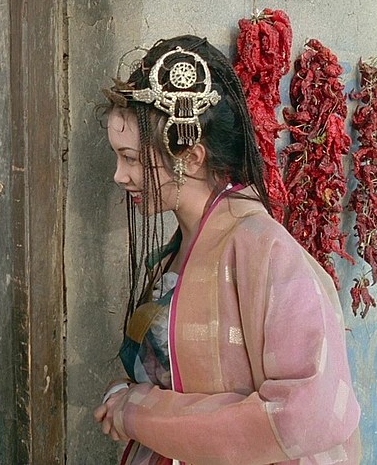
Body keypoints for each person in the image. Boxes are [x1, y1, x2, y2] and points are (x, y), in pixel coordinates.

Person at [93, 35, 361, 465]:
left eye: (132, 158)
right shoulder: (179, 250)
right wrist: (126, 395)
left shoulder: (264, 250)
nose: (119, 176)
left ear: (191, 156)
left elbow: (305, 414)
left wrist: (139, 412)